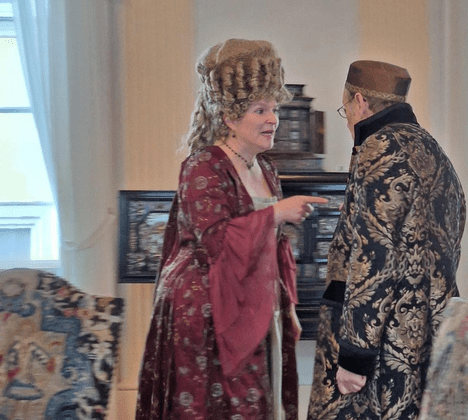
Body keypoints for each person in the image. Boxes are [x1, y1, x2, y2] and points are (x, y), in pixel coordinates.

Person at [135, 38, 328, 420]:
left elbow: (275, 248)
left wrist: (288, 306)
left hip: (256, 304)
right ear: (229, 116)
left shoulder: (265, 168)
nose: (273, 119)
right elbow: (215, 242)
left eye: (274, 109)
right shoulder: (203, 166)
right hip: (206, 312)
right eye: (260, 110)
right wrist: (277, 213)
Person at [307, 60, 466, 419]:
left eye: (345, 109)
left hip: (382, 341)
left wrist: (355, 356)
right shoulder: (431, 148)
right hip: (426, 333)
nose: (347, 119)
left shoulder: (380, 146)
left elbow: (374, 257)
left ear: (359, 102)